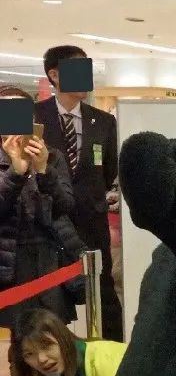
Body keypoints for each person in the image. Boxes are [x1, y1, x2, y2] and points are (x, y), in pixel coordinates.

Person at [35, 45, 123, 342]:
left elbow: (108, 170)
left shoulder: (104, 121)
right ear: (54, 75)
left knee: (104, 297)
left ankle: (112, 357)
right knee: (51, 302)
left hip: (92, 225)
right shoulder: (34, 117)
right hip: (49, 225)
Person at [0, 86, 80, 328]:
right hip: (11, 264)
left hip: (50, 260)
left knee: (53, 334)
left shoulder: (51, 156)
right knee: (18, 337)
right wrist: (15, 173)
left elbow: (66, 206)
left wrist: (44, 170)